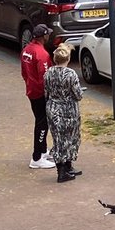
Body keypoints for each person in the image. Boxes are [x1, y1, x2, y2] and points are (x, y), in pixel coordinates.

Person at [44, 44, 84, 183]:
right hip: (68, 110)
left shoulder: (48, 73)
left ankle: (66, 167)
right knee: (71, 138)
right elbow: (78, 95)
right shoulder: (71, 74)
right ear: (68, 58)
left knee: (59, 139)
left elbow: (46, 92)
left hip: (53, 108)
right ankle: (63, 171)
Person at [21, 24, 56, 169]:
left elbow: (24, 72)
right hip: (41, 93)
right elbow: (45, 77)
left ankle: (42, 151)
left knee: (40, 120)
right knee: (42, 123)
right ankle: (36, 157)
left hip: (31, 90)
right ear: (44, 36)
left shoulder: (26, 50)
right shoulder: (42, 54)